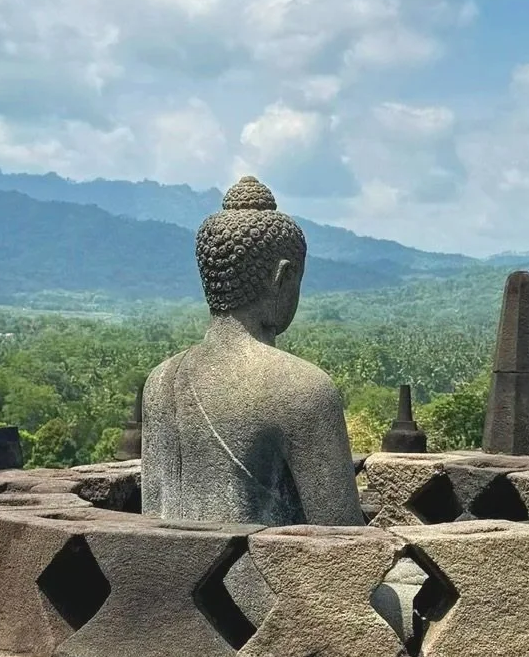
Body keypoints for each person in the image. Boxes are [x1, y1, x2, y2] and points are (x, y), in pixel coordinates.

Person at [141, 178, 363, 528]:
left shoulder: (161, 380)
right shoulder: (303, 389)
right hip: (270, 581)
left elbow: (151, 517)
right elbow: (345, 539)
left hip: (169, 579)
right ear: (283, 277)